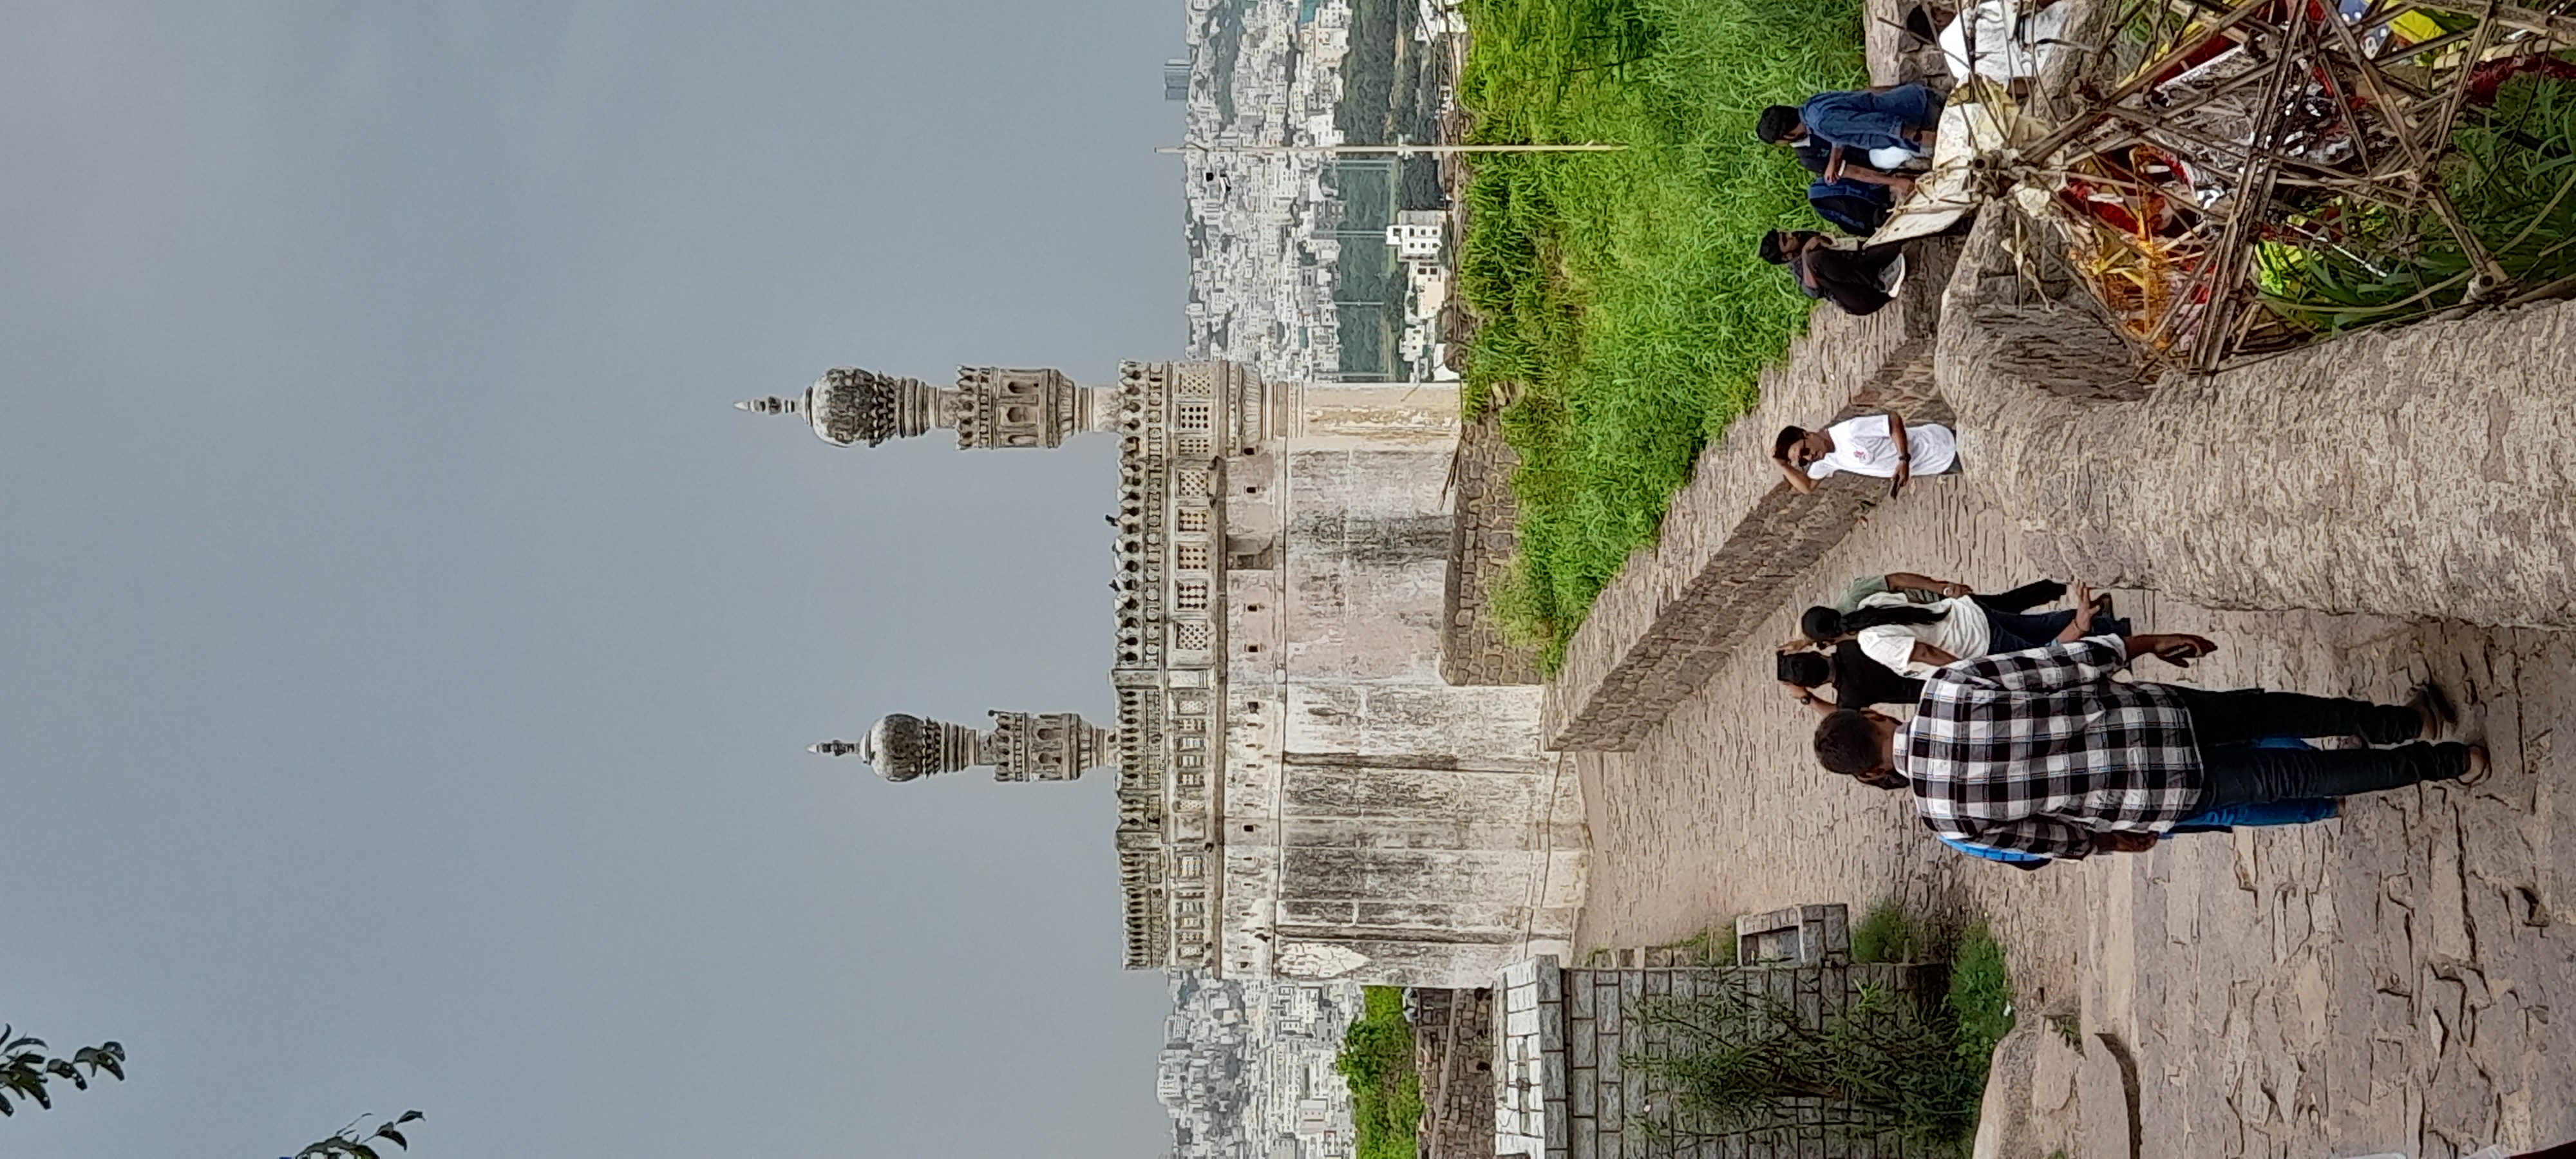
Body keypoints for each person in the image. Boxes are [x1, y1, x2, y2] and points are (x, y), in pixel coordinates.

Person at [1811, 632, 2486, 866]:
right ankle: (2403, 719)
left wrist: (2114, 843)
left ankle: (2450, 763)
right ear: (1874, 715)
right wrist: (2143, 642)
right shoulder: (1948, 689)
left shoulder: (1945, 820)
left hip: (2154, 794)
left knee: (2294, 774)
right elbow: (2060, 664)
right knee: (2271, 709)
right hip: (2152, 715)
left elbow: (2053, 838)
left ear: (1872, 772)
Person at [1804, 580, 2132, 679]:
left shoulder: (1871, 642)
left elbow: (1925, 653)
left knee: (2044, 652)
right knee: (2039, 626)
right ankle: (2111, 625)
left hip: (1975, 645)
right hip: (1970, 614)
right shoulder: (1870, 606)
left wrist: (1964, 672)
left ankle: (2114, 643)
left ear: (1831, 641)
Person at [1757, 83, 1946, 167]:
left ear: (1787, 136)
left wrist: (1919, 136)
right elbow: (1845, 127)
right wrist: (1835, 158)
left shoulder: (1822, 122)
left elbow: (1872, 122)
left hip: (1921, 115)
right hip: (1915, 98)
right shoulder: (1812, 107)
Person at [1772, 410, 1958, 495]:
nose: (1809, 457)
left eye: (1804, 450)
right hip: (1938, 465)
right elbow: (1808, 486)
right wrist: (1783, 465)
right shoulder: (1826, 460)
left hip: (1941, 445)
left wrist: (1903, 459)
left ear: (1807, 434)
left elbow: (1893, 421)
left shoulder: (1850, 431)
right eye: (1803, 461)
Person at [1760, 230, 1904, 316]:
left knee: (1897, 239)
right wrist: (1805, 254)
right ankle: (1880, 282)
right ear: (1786, 257)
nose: (1790, 235)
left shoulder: (1804, 236)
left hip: (1861, 261)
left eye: (1785, 234)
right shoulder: (1801, 267)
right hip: (1860, 295)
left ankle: (1882, 271)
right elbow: (1812, 292)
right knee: (1815, 260)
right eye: (1786, 240)